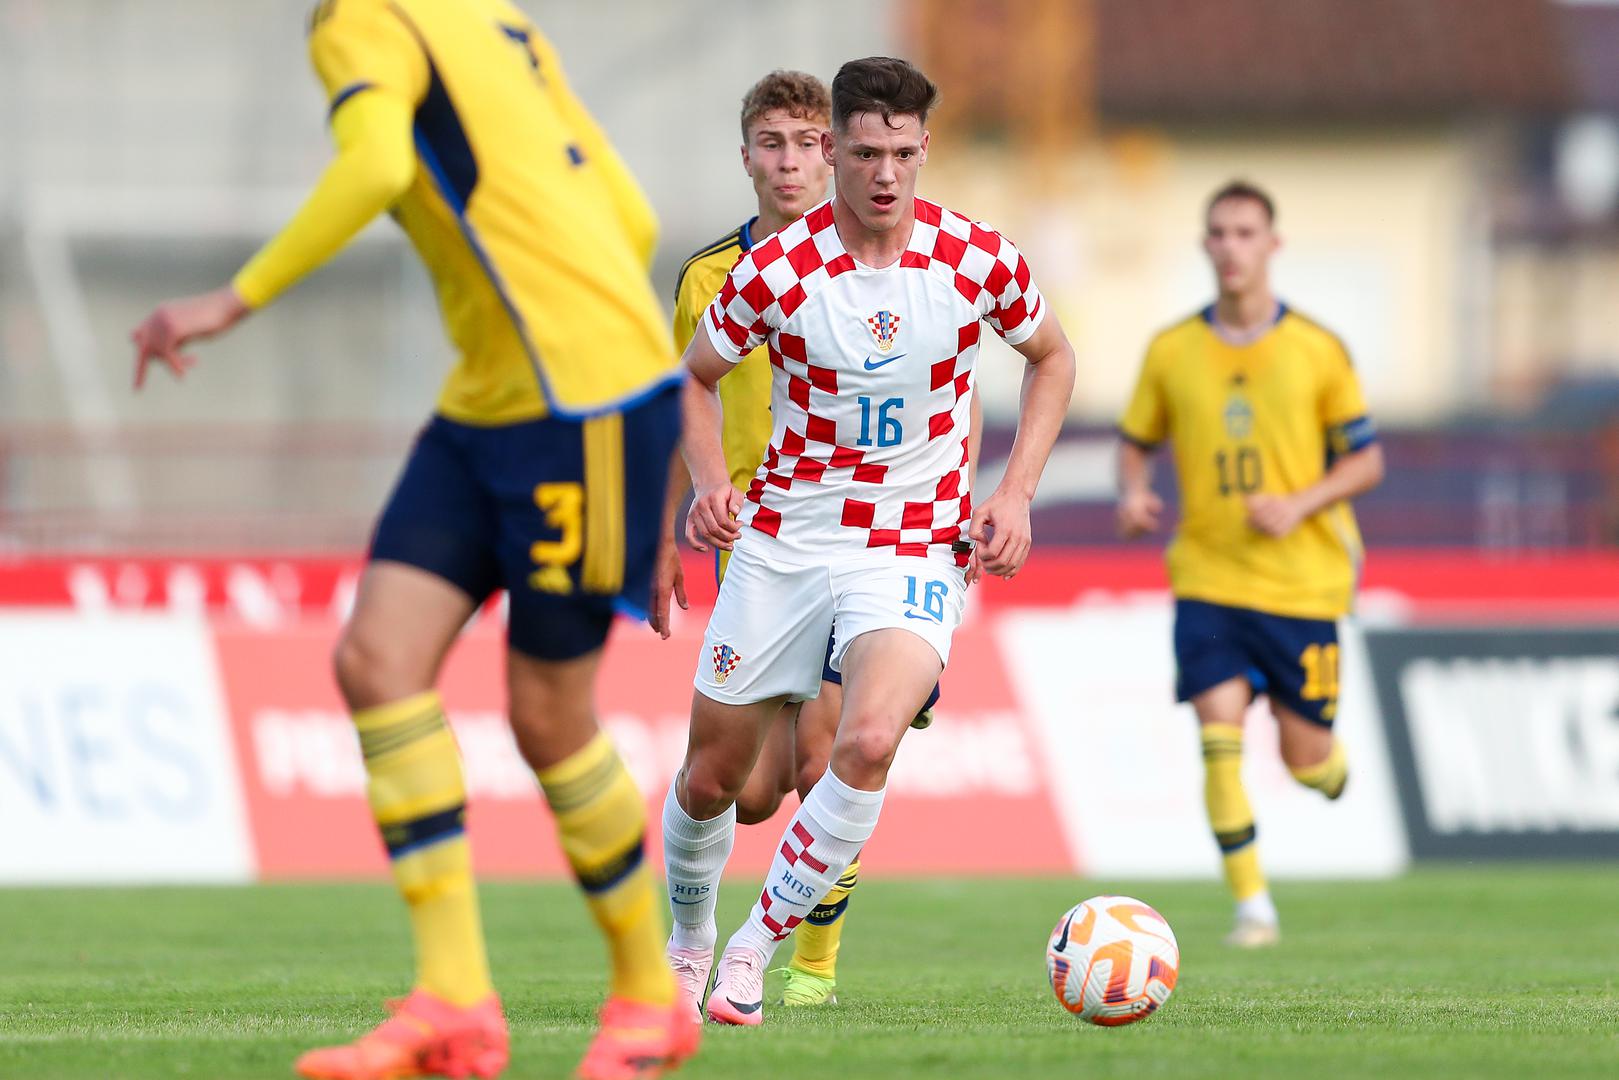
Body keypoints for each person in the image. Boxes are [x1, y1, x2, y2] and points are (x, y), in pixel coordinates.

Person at [129, 2, 696, 1076]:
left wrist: (230, 302)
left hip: (581, 406)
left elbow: (379, 163)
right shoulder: (489, 17)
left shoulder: (360, 18)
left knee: (548, 717)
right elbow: (625, 214)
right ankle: (454, 1000)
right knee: (377, 660)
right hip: (494, 401)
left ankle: (645, 996)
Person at [661, 55, 1075, 1027]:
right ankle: (687, 942)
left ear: (923, 148)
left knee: (870, 739)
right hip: (785, 537)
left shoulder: (975, 257)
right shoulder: (779, 269)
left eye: (902, 153)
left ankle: (756, 948)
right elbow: (694, 377)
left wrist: (1014, 493)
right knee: (716, 779)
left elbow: (1052, 357)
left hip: (913, 542)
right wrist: (712, 485)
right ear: (835, 151)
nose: (884, 174)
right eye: (863, 154)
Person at [1115, 180, 1385, 948]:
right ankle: (1252, 906)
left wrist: (1300, 503)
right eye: (1218, 232)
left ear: (1272, 245)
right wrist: (1133, 493)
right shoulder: (1171, 350)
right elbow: (1135, 441)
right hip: (1207, 578)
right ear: (1205, 245)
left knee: (1304, 762)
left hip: (1301, 585)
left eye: (1244, 232)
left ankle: (1328, 770)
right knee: (1218, 743)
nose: (1230, 246)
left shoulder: (1316, 348)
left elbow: (1365, 461)